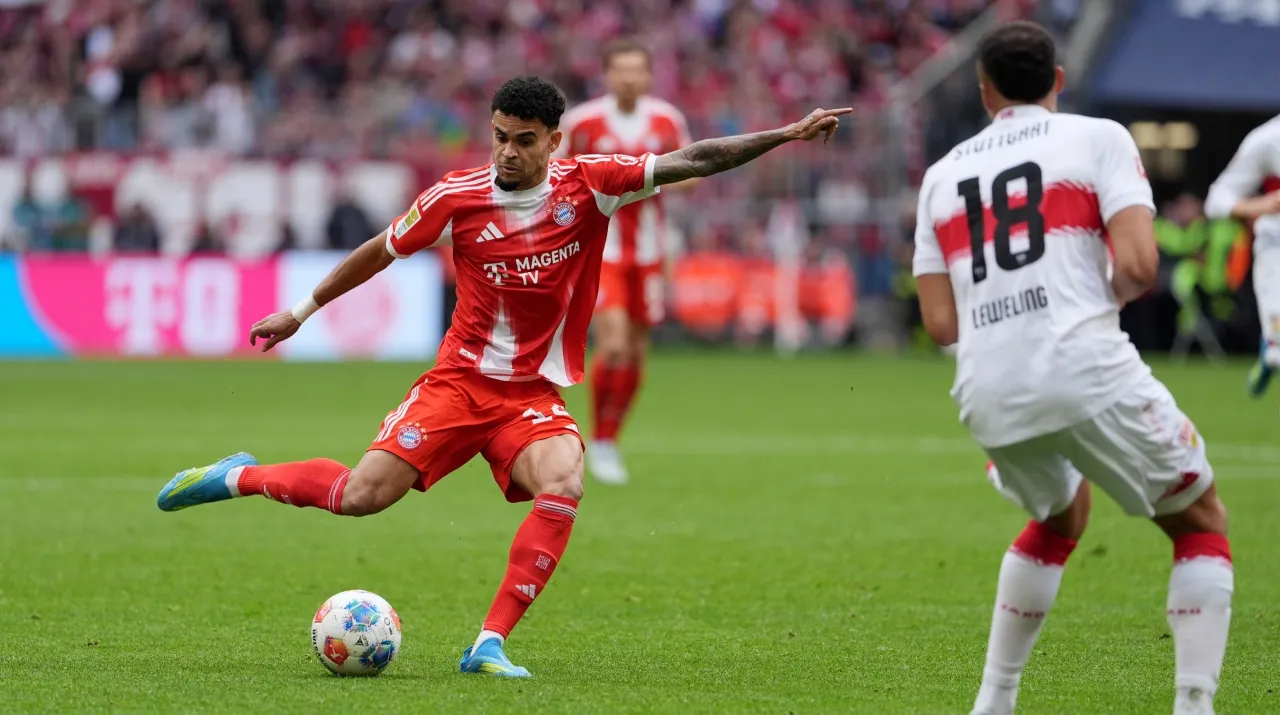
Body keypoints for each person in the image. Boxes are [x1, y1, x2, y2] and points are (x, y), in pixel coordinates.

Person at [155, 75, 849, 678]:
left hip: (530, 396)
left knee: (564, 480)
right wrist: (301, 311)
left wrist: (787, 133)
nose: (507, 152)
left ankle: (489, 642)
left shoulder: (590, 185)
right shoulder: (456, 197)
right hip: (458, 385)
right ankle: (238, 476)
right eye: (499, 137)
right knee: (359, 497)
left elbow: (693, 158)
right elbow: (382, 250)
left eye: (523, 140)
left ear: (554, 140)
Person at [912, 22, 1232, 715]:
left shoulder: (941, 176)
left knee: (1063, 516)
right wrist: (1084, 300)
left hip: (987, 387)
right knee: (1200, 519)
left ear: (985, 91)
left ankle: (994, 701)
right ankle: (1194, 704)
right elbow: (1140, 266)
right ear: (1058, 80)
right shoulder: (1098, 138)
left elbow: (939, 324)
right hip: (1082, 362)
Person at [553, 39, 695, 484]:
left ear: (649, 75)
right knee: (612, 344)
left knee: (635, 350)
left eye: (637, 70)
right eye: (621, 70)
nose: (629, 78)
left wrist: (649, 178)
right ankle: (597, 440)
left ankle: (610, 438)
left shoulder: (666, 119)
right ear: (608, 75)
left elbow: (692, 173)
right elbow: (554, 173)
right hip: (604, 250)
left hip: (649, 251)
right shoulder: (583, 122)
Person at [1204, 114, 1280, 396]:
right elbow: (1217, 199)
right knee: (1277, 352)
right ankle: (1271, 347)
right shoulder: (1267, 139)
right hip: (1275, 246)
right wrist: (1260, 205)